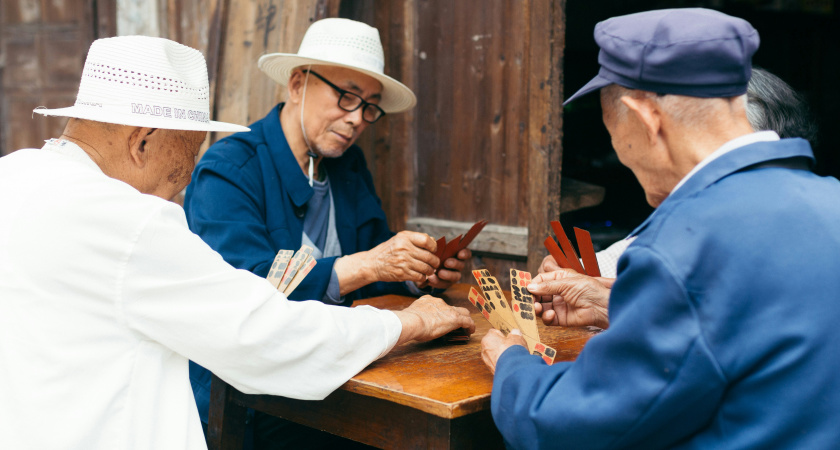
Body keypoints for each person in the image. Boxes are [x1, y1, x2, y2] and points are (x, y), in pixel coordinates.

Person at [0, 35, 474, 450]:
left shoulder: (13, 176)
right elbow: (262, 332)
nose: (180, 184)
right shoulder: (131, 221)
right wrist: (404, 325)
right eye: (180, 162)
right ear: (142, 141)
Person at [481, 8, 840, 448]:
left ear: (645, 118)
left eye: (610, 130)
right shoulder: (831, 201)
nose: (618, 151)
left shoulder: (682, 245)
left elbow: (573, 426)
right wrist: (617, 305)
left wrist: (513, 367)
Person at [182, 18, 473, 443]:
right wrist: (369, 264)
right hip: (252, 400)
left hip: (342, 382)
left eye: (369, 106)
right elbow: (244, 292)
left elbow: (375, 266)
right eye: (347, 97)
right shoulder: (229, 169)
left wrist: (416, 274)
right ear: (298, 84)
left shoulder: (348, 167)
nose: (357, 119)